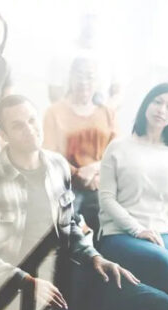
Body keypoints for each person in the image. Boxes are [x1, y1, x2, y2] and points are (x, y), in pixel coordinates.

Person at [0, 94, 168, 310]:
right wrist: (27, 282)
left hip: (64, 272)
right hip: (13, 287)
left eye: (32, 120)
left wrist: (95, 257)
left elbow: (70, 224)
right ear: (3, 136)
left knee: (159, 305)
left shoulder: (57, 166)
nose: (30, 129)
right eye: (17, 126)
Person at [98, 83, 168, 310]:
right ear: (147, 103)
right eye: (157, 102)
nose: (162, 110)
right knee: (162, 262)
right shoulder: (119, 147)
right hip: (119, 235)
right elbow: (106, 199)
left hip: (163, 235)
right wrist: (138, 229)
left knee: (159, 293)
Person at [43, 57, 118, 239]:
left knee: (109, 229)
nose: (84, 82)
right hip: (66, 184)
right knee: (64, 233)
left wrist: (94, 170)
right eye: (79, 75)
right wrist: (77, 174)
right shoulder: (54, 111)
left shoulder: (106, 111)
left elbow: (116, 152)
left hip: (99, 183)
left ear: (97, 81)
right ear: (70, 78)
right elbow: (49, 154)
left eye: (90, 76)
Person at [47, 13, 122, 108]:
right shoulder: (61, 53)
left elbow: (118, 93)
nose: (90, 22)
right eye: (86, 16)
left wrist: (103, 114)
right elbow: (54, 93)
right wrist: (72, 116)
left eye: (93, 16)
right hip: (68, 120)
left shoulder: (111, 53)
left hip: (102, 120)